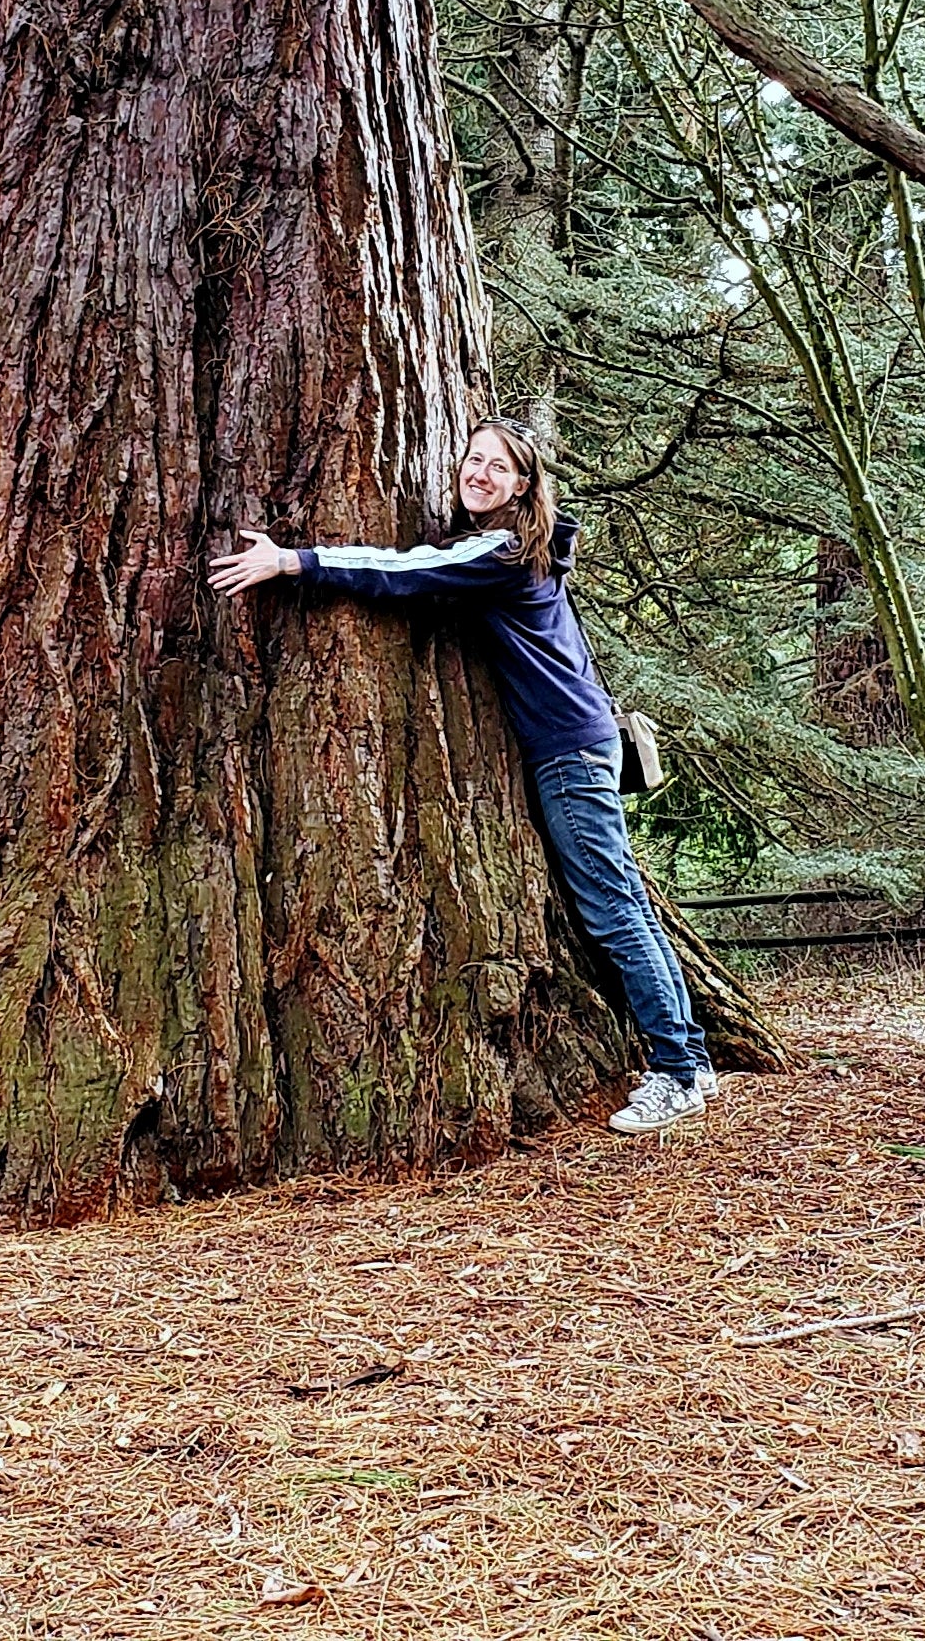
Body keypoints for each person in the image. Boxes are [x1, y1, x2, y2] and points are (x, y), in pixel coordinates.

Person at [206, 418, 717, 1134]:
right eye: (472, 459)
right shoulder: (523, 548)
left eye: (497, 466)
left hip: (568, 753)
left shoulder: (503, 552)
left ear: (523, 485)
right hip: (583, 742)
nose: (478, 473)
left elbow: (404, 571)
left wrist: (296, 562)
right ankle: (689, 1059)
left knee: (613, 910)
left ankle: (674, 1072)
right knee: (624, 900)